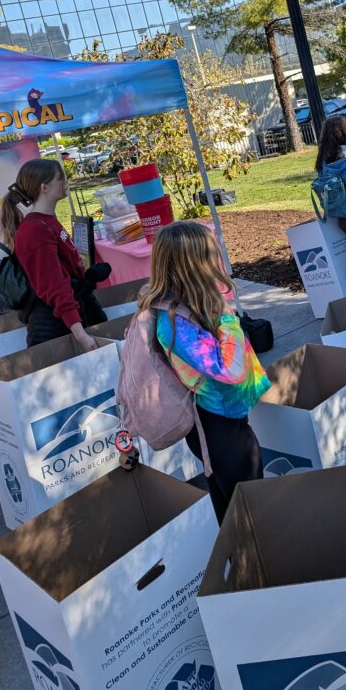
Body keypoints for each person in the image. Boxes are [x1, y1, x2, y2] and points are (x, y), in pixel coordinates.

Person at [138, 221, 270, 522]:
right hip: (217, 428)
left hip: (225, 422)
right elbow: (231, 368)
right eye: (210, 255)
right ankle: (251, 562)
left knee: (235, 505)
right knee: (247, 510)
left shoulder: (190, 305)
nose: (216, 261)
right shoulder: (173, 321)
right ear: (193, 265)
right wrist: (227, 318)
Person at [0, 159, 108, 349]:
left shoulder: (46, 221)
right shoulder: (35, 229)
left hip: (69, 320)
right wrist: (81, 334)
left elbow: (64, 270)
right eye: (61, 179)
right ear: (44, 187)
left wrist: (87, 277)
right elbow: (54, 284)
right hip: (56, 330)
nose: (66, 182)